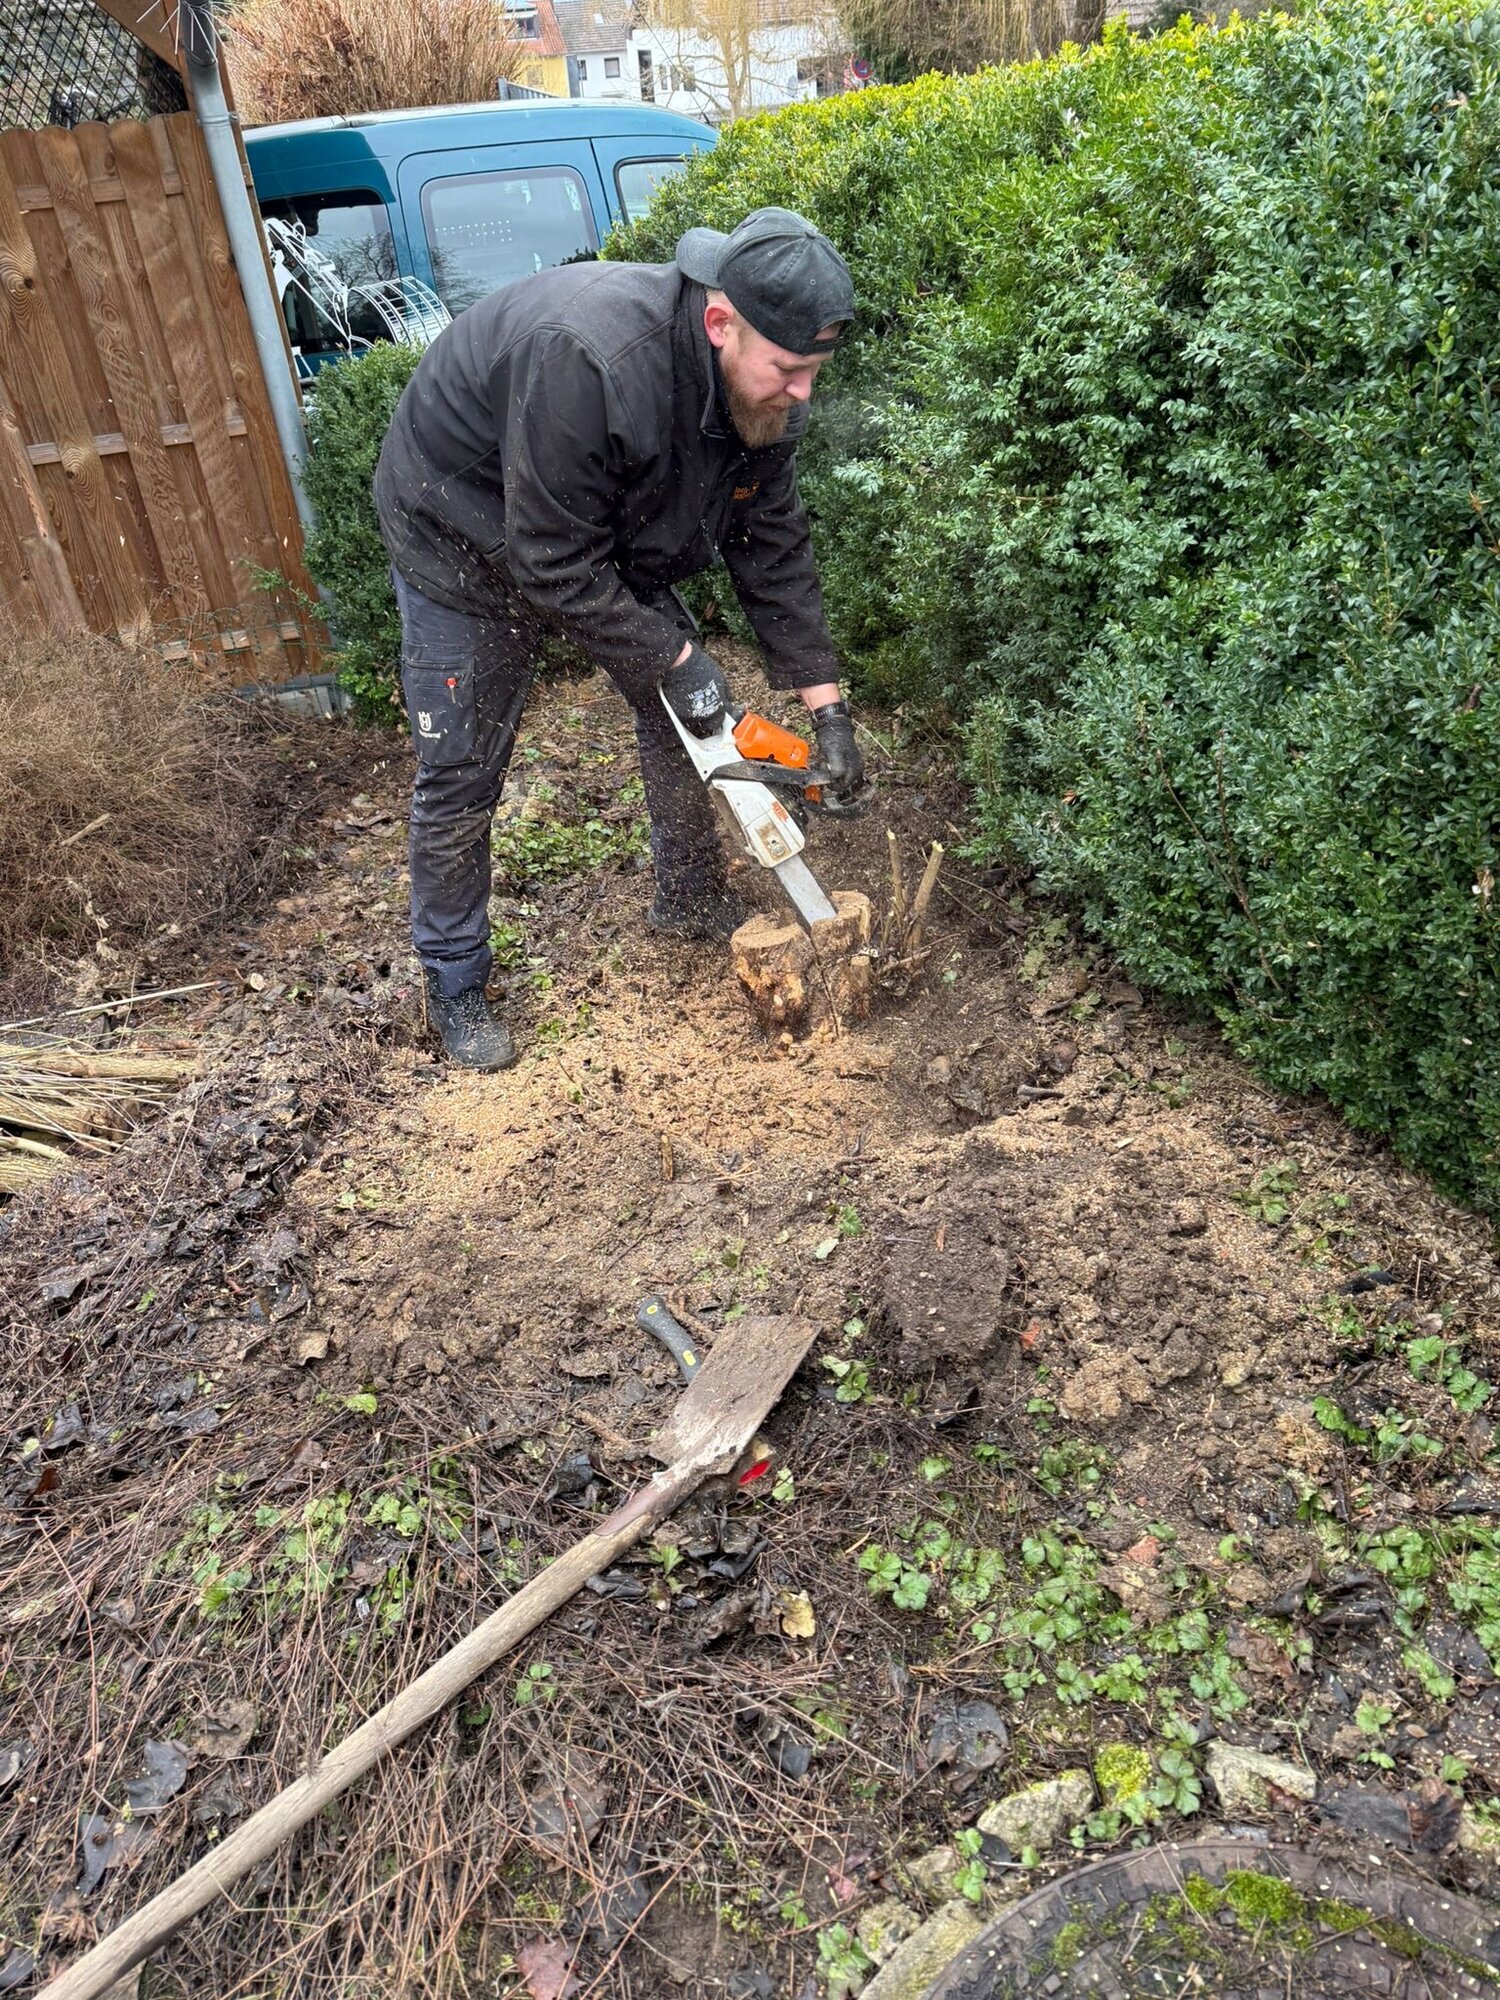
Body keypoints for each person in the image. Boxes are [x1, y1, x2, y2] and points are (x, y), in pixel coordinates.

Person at [374, 206, 867, 1071]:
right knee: (461, 763)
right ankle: (455, 981)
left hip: (589, 521)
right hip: (460, 525)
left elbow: (772, 538)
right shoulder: (592, 357)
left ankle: (685, 893)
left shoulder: (756, 388)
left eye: (815, 372)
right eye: (789, 371)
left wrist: (825, 706)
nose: (803, 394)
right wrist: (674, 655)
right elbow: (550, 561)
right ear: (721, 322)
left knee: (684, 707)